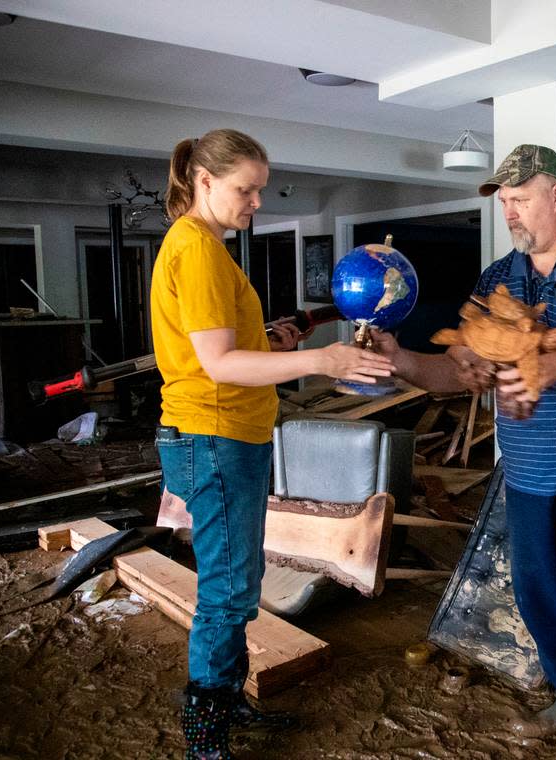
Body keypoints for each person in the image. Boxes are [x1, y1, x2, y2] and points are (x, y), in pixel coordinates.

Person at [373, 144, 556, 759]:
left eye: (520, 198)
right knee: (537, 592)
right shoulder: (497, 279)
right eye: (503, 201)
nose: (510, 212)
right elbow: (459, 374)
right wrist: (402, 360)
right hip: (527, 465)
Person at [152, 128, 395, 759]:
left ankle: (227, 701)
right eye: (246, 189)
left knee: (238, 575)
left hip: (227, 431)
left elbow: (228, 348)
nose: (257, 201)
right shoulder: (198, 250)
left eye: (260, 189)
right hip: (213, 431)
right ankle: (205, 739)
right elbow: (220, 364)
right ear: (205, 182)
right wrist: (322, 358)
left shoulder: (204, 247)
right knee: (228, 589)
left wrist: (275, 343)